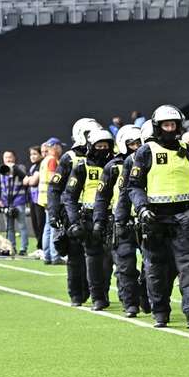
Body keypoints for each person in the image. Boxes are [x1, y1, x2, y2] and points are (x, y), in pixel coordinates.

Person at [128, 105, 189, 328]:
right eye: (166, 125)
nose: (170, 129)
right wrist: (142, 208)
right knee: (156, 268)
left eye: (174, 125)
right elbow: (134, 186)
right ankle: (160, 310)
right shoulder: (146, 151)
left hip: (183, 216)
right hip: (155, 218)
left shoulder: (187, 150)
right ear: (158, 127)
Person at [48, 118, 102, 304]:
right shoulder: (69, 158)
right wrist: (54, 213)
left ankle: (94, 292)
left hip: (96, 211)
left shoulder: (103, 156)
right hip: (72, 211)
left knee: (98, 256)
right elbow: (55, 188)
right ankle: (76, 294)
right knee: (75, 255)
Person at [93, 124, 144, 317]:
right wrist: (99, 220)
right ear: (123, 145)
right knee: (125, 266)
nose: (136, 146)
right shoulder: (113, 167)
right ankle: (130, 303)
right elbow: (102, 196)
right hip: (121, 220)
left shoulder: (149, 160)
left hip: (146, 220)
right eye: (132, 143)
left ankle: (145, 296)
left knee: (152, 265)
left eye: (139, 142)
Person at [62, 129, 116, 311]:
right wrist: (75, 222)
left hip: (112, 216)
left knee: (109, 259)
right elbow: (70, 196)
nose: (102, 149)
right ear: (91, 147)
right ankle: (97, 297)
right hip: (89, 217)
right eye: (99, 146)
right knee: (93, 257)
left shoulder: (116, 165)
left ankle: (106, 292)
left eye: (105, 146)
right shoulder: (82, 167)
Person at [0, 150, 29, 256]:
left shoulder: (19, 168)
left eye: (10, 157)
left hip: (19, 201)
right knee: (9, 227)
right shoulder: (1, 171)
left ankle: (23, 248)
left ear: (14, 158)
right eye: (6, 158)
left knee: (22, 226)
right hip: (5, 202)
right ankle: (11, 247)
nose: (8, 159)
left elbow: (25, 179)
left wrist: (14, 168)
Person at [37, 138, 63, 264]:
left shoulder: (45, 160)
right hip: (51, 197)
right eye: (59, 146)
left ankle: (47, 255)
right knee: (54, 226)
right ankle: (55, 256)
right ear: (55, 146)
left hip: (43, 197)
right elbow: (54, 178)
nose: (61, 149)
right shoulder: (52, 160)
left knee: (48, 227)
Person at [24, 145, 45, 251]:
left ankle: (42, 247)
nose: (32, 156)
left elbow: (32, 182)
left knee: (41, 224)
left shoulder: (41, 165)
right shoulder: (32, 167)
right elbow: (25, 181)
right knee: (35, 224)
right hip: (32, 199)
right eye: (31, 154)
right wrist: (30, 179)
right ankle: (39, 247)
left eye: (35, 154)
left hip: (40, 199)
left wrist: (30, 179)